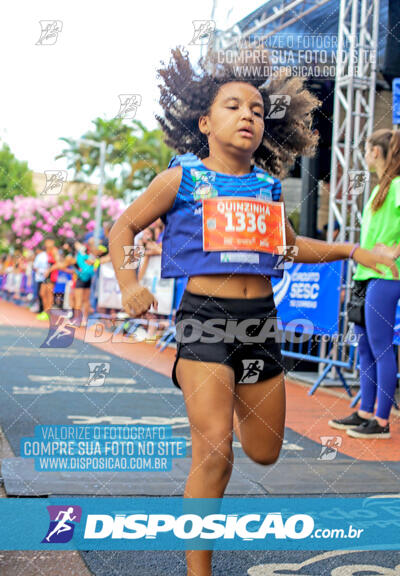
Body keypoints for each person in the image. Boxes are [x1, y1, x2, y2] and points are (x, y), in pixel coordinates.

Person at [109, 47, 397, 576]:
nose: (248, 116)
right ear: (204, 121)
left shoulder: (267, 188)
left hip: (260, 325)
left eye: (258, 111)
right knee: (215, 456)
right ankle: (199, 569)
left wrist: (358, 252)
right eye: (234, 107)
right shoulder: (182, 178)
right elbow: (122, 227)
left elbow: (290, 249)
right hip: (203, 321)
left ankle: (219, 416)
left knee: (263, 452)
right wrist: (130, 283)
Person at [329, 129, 400, 439]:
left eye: (368, 148)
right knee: (366, 349)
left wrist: (395, 251)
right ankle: (364, 412)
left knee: (382, 348)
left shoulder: (397, 186)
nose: (365, 153)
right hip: (364, 276)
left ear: (377, 152)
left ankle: (381, 422)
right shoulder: (380, 189)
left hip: (385, 277)